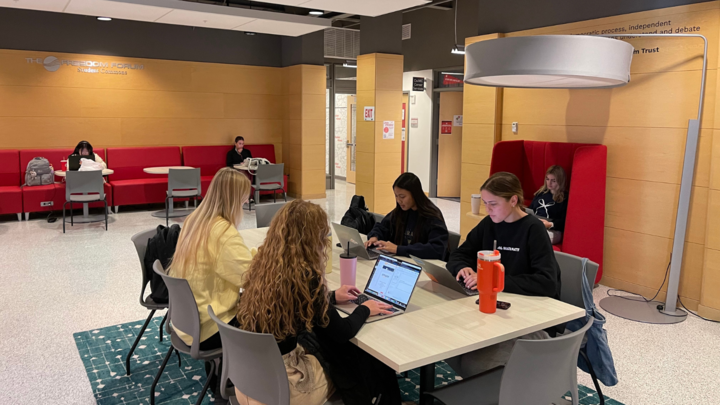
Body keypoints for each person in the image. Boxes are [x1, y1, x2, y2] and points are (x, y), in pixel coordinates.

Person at [235, 200, 402, 405]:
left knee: (331, 347)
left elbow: (294, 303)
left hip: (250, 377)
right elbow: (342, 332)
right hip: (286, 386)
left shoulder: (265, 264)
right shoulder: (305, 276)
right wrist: (365, 309)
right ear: (312, 239)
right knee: (354, 357)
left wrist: (330, 297)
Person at [444, 172, 562, 378]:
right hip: (496, 312)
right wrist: (462, 267)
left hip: (528, 318)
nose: (487, 209)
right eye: (485, 203)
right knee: (448, 345)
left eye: (493, 204)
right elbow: (460, 253)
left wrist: (493, 282)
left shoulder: (533, 229)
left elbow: (547, 283)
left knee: (472, 364)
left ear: (513, 200)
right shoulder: (490, 223)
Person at [167, 167, 253, 391]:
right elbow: (251, 279)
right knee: (273, 314)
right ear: (234, 199)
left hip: (185, 321)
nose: (246, 203)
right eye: (243, 199)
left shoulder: (193, 220)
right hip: (210, 328)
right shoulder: (223, 233)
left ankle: (222, 373)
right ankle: (243, 383)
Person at [364, 172, 449, 260]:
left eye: (402, 196)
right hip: (403, 260)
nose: (398, 200)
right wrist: (375, 237)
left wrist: (398, 249)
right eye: (396, 196)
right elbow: (383, 226)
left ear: (415, 195)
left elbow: (437, 249)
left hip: (423, 264)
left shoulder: (431, 216)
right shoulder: (400, 211)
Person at [530, 165, 568, 244]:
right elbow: (530, 209)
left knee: (537, 237)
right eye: (547, 179)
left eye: (553, 181)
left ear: (560, 181)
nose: (549, 183)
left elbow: (564, 222)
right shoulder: (541, 193)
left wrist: (549, 224)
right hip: (535, 224)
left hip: (553, 230)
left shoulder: (565, 198)